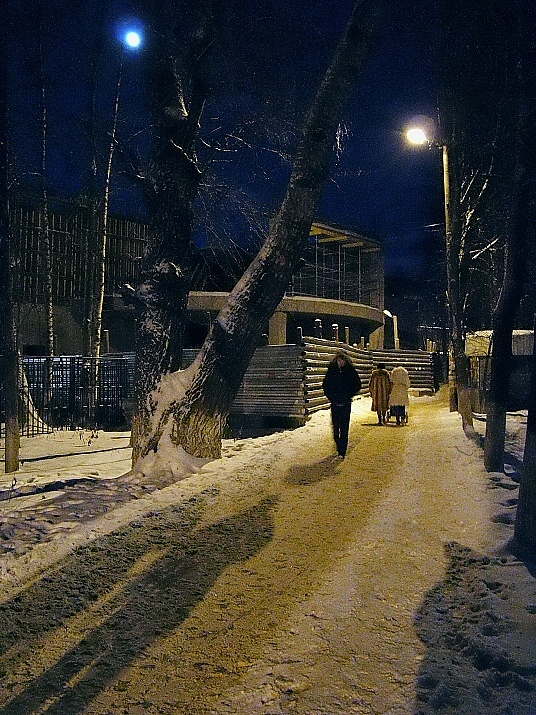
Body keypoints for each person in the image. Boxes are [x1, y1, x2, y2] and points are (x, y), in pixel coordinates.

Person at [322, 351, 362, 458]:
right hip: (335, 403)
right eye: (339, 360)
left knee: (344, 427)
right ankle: (338, 444)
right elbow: (325, 385)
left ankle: (342, 450)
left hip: (345, 403)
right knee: (336, 427)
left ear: (345, 361)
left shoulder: (350, 371)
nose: (340, 362)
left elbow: (357, 385)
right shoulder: (332, 371)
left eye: (342, 360)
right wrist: (331, 397)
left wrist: (349, 395)